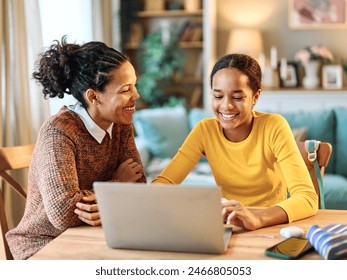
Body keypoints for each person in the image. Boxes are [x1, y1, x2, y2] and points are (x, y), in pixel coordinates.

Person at [6, 36, 146, 260]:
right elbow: (63, 214)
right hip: (43, 244)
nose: (136, 96)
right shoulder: (59, 132)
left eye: (135, 86)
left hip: (96, 234)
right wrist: (118, 184)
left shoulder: (120, 124)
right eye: (125, 90)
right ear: (93, 96)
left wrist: (102, 199)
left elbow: (138, 185)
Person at [152, 53, 318, 230]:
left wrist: (257, 218)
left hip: (269, 225)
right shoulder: (205, 130)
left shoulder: (274, 127)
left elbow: (307, 198)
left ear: (255, 97)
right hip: (228, 226)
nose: (226, 106)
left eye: (237, 97)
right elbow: (164, 183)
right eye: (218, 96)